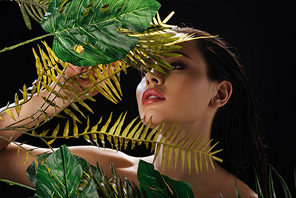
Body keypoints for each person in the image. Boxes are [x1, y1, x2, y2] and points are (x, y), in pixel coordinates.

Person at [0, 27, 267, 197]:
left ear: (219, 94)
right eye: (145, 70)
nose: (152, 77)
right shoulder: (98, 170)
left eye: (175, 65)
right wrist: (52, 98)